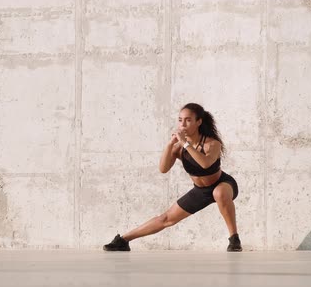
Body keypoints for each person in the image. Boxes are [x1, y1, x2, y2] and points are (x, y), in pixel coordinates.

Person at [103, 103, 242, 252]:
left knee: (218, 193)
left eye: (188, 120)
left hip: (222, 183)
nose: (183, 124)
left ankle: (234, 239)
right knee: (166, 219)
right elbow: (163, 169)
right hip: (201, 190)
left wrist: (185, 143)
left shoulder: (212, 144)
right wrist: (170, 145)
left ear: (199, 122)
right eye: (180, 120)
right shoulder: (179, 148)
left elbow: (206, 164)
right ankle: (123, 240)